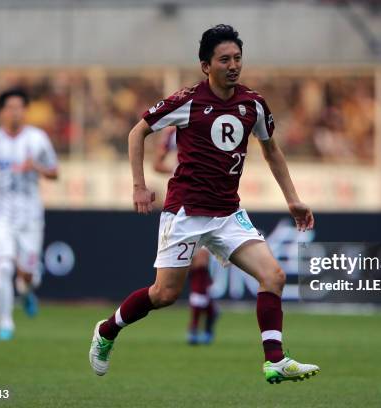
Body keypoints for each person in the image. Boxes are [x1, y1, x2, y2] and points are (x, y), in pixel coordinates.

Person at [89, 24, 319, 384]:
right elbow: (138, 132)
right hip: (185, 212)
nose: (233, 65)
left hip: (228, 213)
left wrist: (293, 199)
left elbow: (271, 150)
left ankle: (274, 359)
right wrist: (139, 186)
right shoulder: (187, 101)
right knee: (164, 294)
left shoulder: (253, 104)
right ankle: (107, 330)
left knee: (273, 275)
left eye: (238, 58)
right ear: (205, 66)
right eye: (224, 59)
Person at [0, 89, 59, 341]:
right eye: (10, 107)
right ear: (2, 112)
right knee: (2, 265)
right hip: (0, 214)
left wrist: (37, 167)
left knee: (29, 274)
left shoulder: (38, 139)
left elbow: (55, 172)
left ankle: (27, 291)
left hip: (30, 215)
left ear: (25, 110)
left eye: (19, 107)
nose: (15, 112)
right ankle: (5, 323)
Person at [153, 129, 220, 345]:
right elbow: (157, 163)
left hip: (210, 202)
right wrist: (180, 170)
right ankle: (210, 312)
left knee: (200, 261)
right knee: (188, 267)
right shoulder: (173, 132)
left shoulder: (214, 123)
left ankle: (193, 326)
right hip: (181, 205)